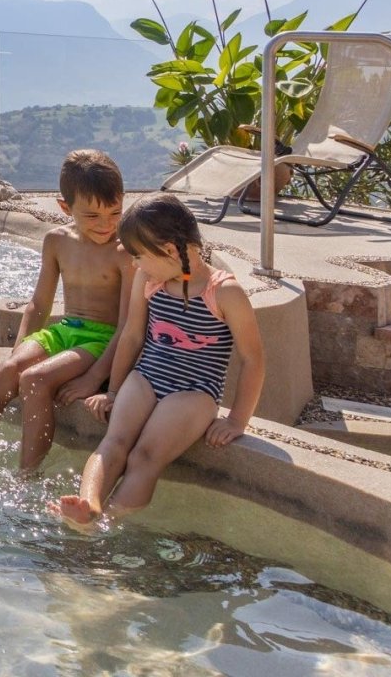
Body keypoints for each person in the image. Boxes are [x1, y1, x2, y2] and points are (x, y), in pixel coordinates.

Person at [52, 193, 264, 529]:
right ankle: (89, 505)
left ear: (169, 250)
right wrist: (115, 390)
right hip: (147, 377)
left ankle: (108, 523)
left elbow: (253, 360)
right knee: (115, 442)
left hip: (194, 393)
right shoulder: (150, 281)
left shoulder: (224, 293)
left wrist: (237, 421)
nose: (134, 264)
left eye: (139, 256)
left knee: (144, 457)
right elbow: (133, 336)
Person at [0, 149, 133, 476]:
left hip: (102, 340)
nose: (106, 224)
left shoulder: (124, 251)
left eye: (115, 212)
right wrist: (19, 351)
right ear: (66, 207)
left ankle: (26, 475)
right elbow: (39, 305)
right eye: (92, 216)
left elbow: (128, 325)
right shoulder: (57, 242)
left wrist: (93, 377)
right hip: (66, 331)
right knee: (10, 369)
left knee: (34, 379)